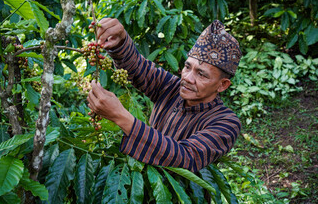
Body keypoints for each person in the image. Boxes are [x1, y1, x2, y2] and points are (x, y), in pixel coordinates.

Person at [87, 18, 242, 173]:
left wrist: (121, 117)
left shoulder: (226, 123)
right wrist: (120, 41)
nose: (187, 77)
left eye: (201, 74)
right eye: (187, 67)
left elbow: (186, 157)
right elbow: (139, 68)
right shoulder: (173, 88)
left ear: (222, 85)